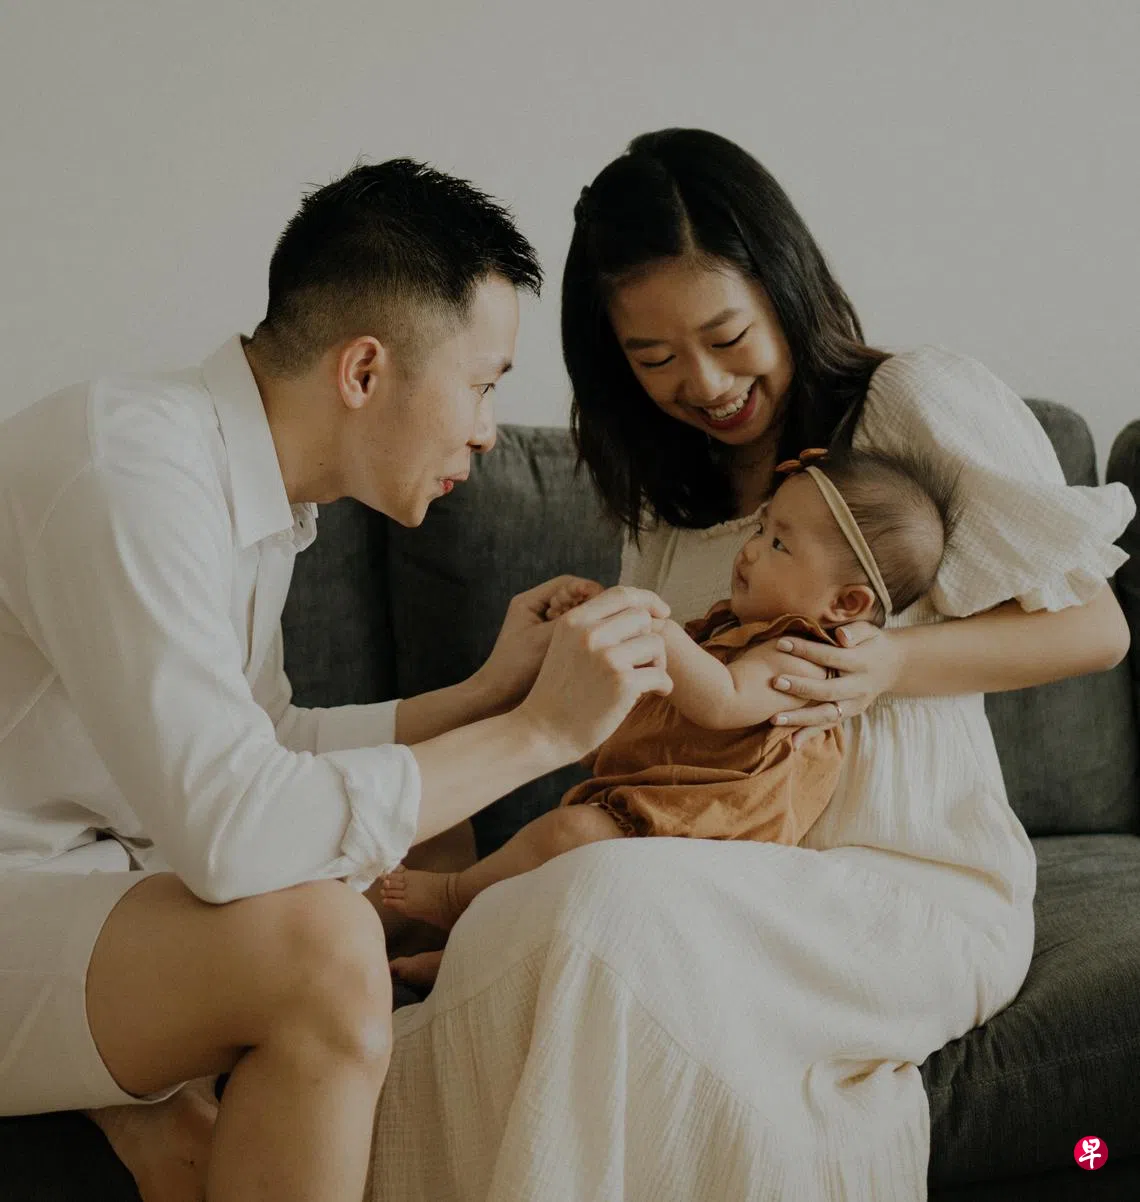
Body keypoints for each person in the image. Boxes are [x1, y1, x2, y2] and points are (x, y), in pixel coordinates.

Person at [367, 129, 1135, 1201]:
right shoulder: (663, 503)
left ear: (784, 288)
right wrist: (562, 660)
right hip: (713, 872)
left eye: (727, 335)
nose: (708, 383)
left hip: (906, 891)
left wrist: (887, 664)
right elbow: (659, 721)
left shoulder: (911, 403)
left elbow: (1095, 629)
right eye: (654, 360)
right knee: (522, 911)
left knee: (601, 908)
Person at [0, 159, 674, 1202]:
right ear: (364, 370)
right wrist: (541, 733)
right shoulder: (130, 475)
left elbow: (262, 743)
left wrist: (488, 694)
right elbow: (234, 832)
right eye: (483, 382)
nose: (488, 428)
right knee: (323, 946)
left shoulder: (249, 490)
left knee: (428, 840)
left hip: (88, 872)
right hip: (29, 880)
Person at [380, 448, 958, 964]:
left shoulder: (806, 658)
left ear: (846, 603)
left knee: (566, 836)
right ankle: (462, 956)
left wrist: (652, 622)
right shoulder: (732, 633)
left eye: (779, 544)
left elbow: (723, 700)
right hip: (658, 813)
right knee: (553, 872)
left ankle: (455, 898)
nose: (750, 551)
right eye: (761, 528)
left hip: (700, 842)